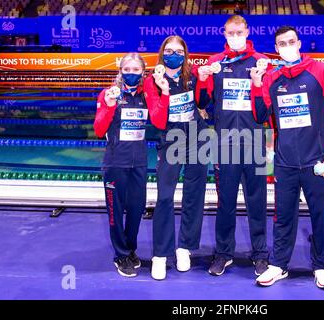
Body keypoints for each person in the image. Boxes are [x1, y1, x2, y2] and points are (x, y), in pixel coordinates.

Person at [249, 26, 324, 289]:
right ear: (277, 48)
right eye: (282, 43)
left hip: (317, 161)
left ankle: (321, 266)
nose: (287, 46)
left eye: (291, 41)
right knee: (283, 216)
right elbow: (260, 116)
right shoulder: (272, 78)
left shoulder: (321, 71)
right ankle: (279, 265)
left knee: (319, 215)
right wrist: (257, 86)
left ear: (299, 43)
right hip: (285, 162)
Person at [197, 15, 270, 277]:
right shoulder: (215, 63)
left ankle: (260, 254)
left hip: (255, 142)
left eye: (240, 31)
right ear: (224, 33)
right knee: (225, 201)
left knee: (257, 201)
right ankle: (224, 253)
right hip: (224, 142)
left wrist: (260, 80)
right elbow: (204, 102)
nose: (236, 36)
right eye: (231, 32)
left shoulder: (260, 62)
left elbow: (264, 111)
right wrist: (203, 78)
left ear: (248, 31)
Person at [144, 35, 210, 280]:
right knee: (165, 196)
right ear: (162, 53)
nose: (174, 54)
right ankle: (160, 254)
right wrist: (163, 91)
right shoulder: (152, 81)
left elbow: (204, 102)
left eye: (179, 51)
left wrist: (203, 82)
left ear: (185, 54)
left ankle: (185, 248)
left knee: (195, 193)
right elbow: (158, 120)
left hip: (197, 135)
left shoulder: (191, 75)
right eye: (169, 50)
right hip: (171, 137)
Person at [94, 53, 161, 277]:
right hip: (115, 164)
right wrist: (109, 105)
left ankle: (130, 249)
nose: (131, 73)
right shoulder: (108, 94)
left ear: (143, 72)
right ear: (120, 70)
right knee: (115, 211)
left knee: (136, 209)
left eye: (135, 69)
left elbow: (160, 120)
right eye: (127, 69)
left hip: (139, 163)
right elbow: (98, 130)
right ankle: (120, 254)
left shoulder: (146, 95)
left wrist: (162, 90)